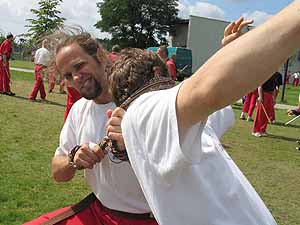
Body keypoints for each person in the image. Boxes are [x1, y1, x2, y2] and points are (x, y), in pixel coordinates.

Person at [108, 1, 300, 222]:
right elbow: (207, 90)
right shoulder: (143, 110)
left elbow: (217, 89)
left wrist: (230, 52)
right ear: (158, 71)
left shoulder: (181, 120)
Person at [24, 32, 157, 225]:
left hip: (151, 218)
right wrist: (73, 159)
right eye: (68, 75)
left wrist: (134, 141)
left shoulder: (143, 103)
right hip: (99, 212)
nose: (76, 78)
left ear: (100, 56)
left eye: (79, 66)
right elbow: (57, 172)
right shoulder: (79, 110)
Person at [252, 72, 278, 137]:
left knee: (267, 113)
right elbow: (260, 86)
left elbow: (275, 89)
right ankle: (256, 130)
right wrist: (260, 97)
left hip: (270, 95)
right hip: (263, 95)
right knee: (260, 113)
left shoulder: (275, 75)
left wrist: (274, 99)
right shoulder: (265, 74)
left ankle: (263, 130)